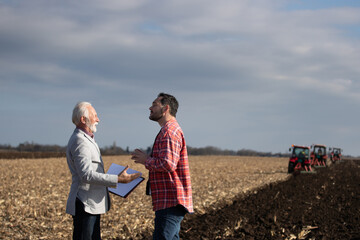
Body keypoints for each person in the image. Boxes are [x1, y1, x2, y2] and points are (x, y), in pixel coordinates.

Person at [66, 101, 140, 240]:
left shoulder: (87, 139)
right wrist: (118, 180)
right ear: (83, 119)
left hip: (91, 204)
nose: (98, 119)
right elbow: (86, 175)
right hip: (85, 204)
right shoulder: (80, 141)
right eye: (95, 115)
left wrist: (118, 181)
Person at [131, 93, 193, 240]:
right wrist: (148, 159)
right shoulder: (168, 130)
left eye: (154, 104)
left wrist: (147, 160)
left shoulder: (169, 132)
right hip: (169, 200)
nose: (150, 108)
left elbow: (168, 164)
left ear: (165, 109)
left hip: (170, 200)